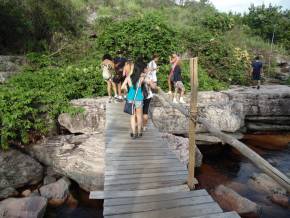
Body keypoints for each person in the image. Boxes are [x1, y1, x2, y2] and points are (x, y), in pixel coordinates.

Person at [121, 57, 147, 139]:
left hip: (130, 98)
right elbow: (146, 76)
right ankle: (139, 132)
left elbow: (122, 87)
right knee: (139, 116)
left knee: (132, 116)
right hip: (139, 98)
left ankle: (133, 132)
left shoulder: (128, 78)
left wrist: (126, 89)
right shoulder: (141, 78)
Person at [143, 54, 159, 131]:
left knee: (138, 112)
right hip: (147, 95)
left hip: (138, 96)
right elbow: (153, 87)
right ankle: (144, 126)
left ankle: (137, 126)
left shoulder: (135, 76)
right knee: (145, 112)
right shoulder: (147, 77)